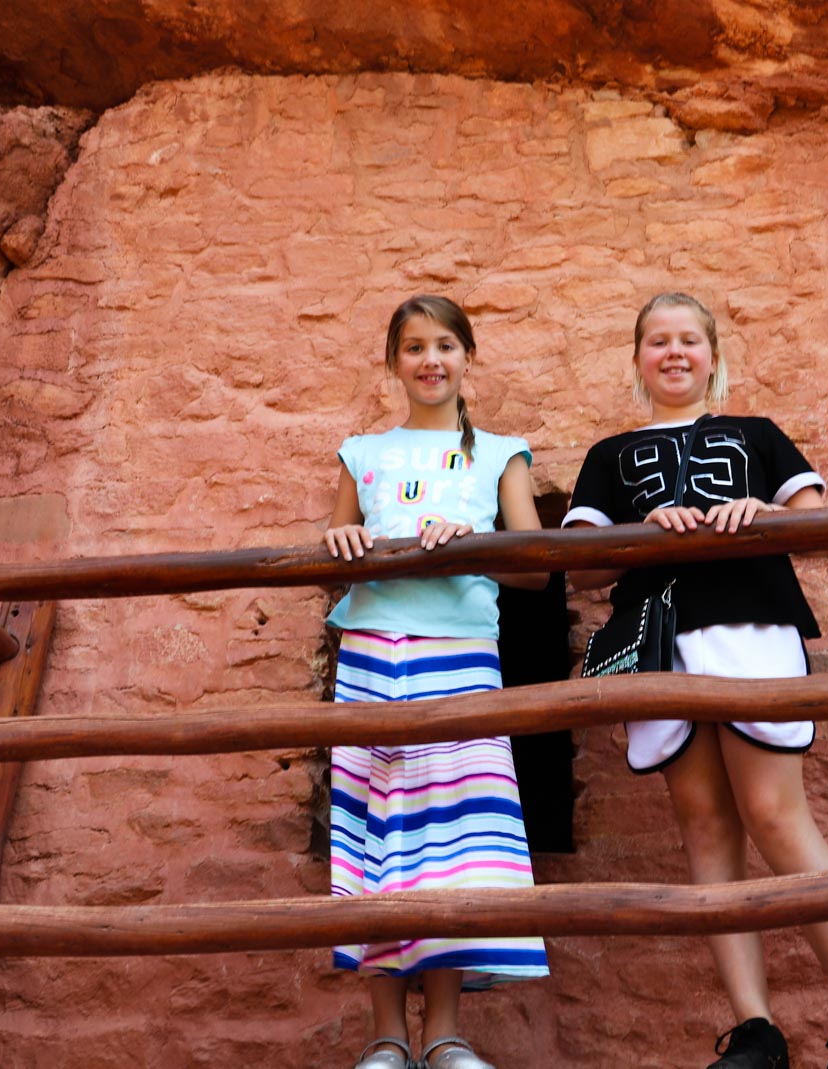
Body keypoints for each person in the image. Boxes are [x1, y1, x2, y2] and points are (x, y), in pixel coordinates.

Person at [563, 293, 828, 1069]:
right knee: (705, 826)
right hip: (659, 640)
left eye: (689, 339)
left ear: (713, 356)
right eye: (658, 340)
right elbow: (580, 565)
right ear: (637, 358)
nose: (674, 352)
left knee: (774, 812)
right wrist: (640, 532)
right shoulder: (609, 454)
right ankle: (755, 1029)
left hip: (750, 623)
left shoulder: (756, 434)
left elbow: (813, 519)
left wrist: (761, 510)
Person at [323, 295, 549, 1069]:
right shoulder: (361, 452)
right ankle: (388, 1036)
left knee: (452, 838)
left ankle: (444, 1033)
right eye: (414, 346)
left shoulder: (503, 454)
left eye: (446, 345)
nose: (431, 360)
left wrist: (475, 540)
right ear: (393, 362)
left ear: (467, 357)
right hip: (370, 651)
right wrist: (343, 539)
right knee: (377, 832)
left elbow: (537, 567)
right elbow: (333, 550)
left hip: (460, 654)